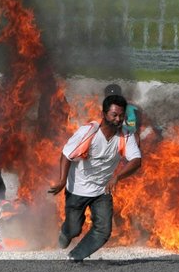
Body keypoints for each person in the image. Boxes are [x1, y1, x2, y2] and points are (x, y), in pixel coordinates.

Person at [49, 94, 142, 261]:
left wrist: (117, 177)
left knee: (103, 230)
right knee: (74, 229)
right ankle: (66, 233)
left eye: (121, 115)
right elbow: (66, 155)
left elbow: (136, 160)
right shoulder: (88, 132)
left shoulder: (126, 135)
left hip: (102, 190)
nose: (118, 119)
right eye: (114, 115)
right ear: (104, 114)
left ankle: (76, 257)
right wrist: (63, 180)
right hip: (78, 188)